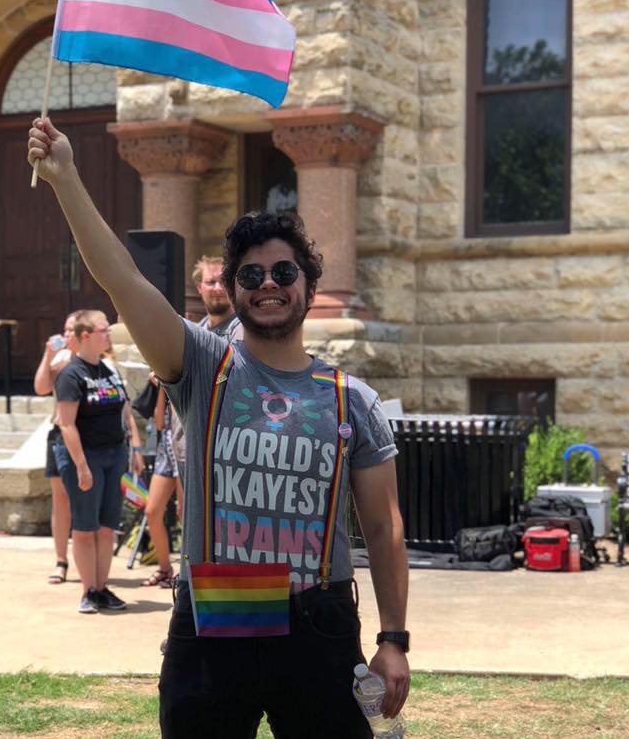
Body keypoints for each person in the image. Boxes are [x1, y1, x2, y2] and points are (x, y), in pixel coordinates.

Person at [28, 118, 410, 737]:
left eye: (284, 273)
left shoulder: (352, 400)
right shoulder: (205, 367)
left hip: (318, 621)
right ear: (232, 290)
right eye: (251, 275)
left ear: (309, 288)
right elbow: (123, 281)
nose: (268, 286)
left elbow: (384, 526)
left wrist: (392, 638)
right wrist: (67, 177)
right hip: (215, 617)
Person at [141, 256, 239, 588]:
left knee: (210, 516)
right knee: (178, 512)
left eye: (223, 280)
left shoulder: (241, 329)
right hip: (182, 440)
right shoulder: (194, 332)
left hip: (220, 443)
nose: (217, 288)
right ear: (199, 288)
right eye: (210, 282)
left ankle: (200, 579)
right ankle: (184, 576)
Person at [55, 308, 144, 614]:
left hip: (114, 455)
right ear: (84, 337)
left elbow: (124, 410)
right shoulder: (71, 373)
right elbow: (66, 424)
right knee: (85, 527)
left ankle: (103, 588)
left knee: (106, 527)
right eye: (103, 330)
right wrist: (80, 466)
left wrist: (134, 448)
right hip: (86, 457)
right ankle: (87, 590)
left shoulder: (109, 369)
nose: (108, 334)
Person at [33, 312, 80, 585]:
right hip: (59, 433)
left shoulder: (94, 358)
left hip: (89, 435)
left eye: (73, 330)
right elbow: (40, 387)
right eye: (65, 329)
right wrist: (48, 356)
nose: (67, 335)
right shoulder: (59, 358)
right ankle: (61, 560)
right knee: (60, 499)